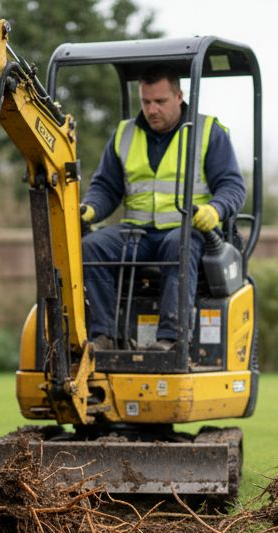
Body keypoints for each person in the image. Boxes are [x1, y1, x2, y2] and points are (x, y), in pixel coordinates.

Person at [79, 66, 246, 351]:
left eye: (160, 101)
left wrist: (215, 211)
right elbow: (107, 187)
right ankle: (104, 336)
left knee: (177, 244)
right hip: (137, 234)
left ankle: (171, 338)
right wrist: (90, 208)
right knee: (91, 247)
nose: (152, 109)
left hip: (188, 232)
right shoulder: (125, 134)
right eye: (146, 102)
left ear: (179, 96)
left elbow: (233, 187)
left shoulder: (208, 132)